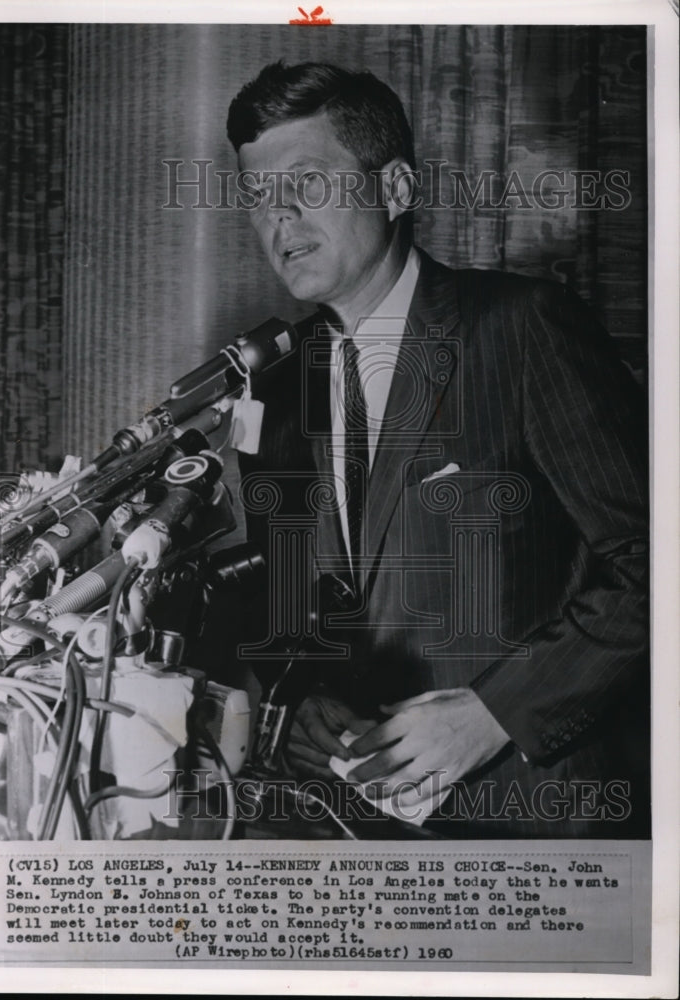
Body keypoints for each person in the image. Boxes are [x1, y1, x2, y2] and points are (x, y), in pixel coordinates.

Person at [226, 62, 649, 836]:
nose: (278, 217)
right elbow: (287, 600)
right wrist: (303, 696)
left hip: (539, 831)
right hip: (359, 837)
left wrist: (495, 713)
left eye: (308, 182)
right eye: (258, 196)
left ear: (393, 190)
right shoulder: (278, 392)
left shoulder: (523, 329)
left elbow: (654, 563)